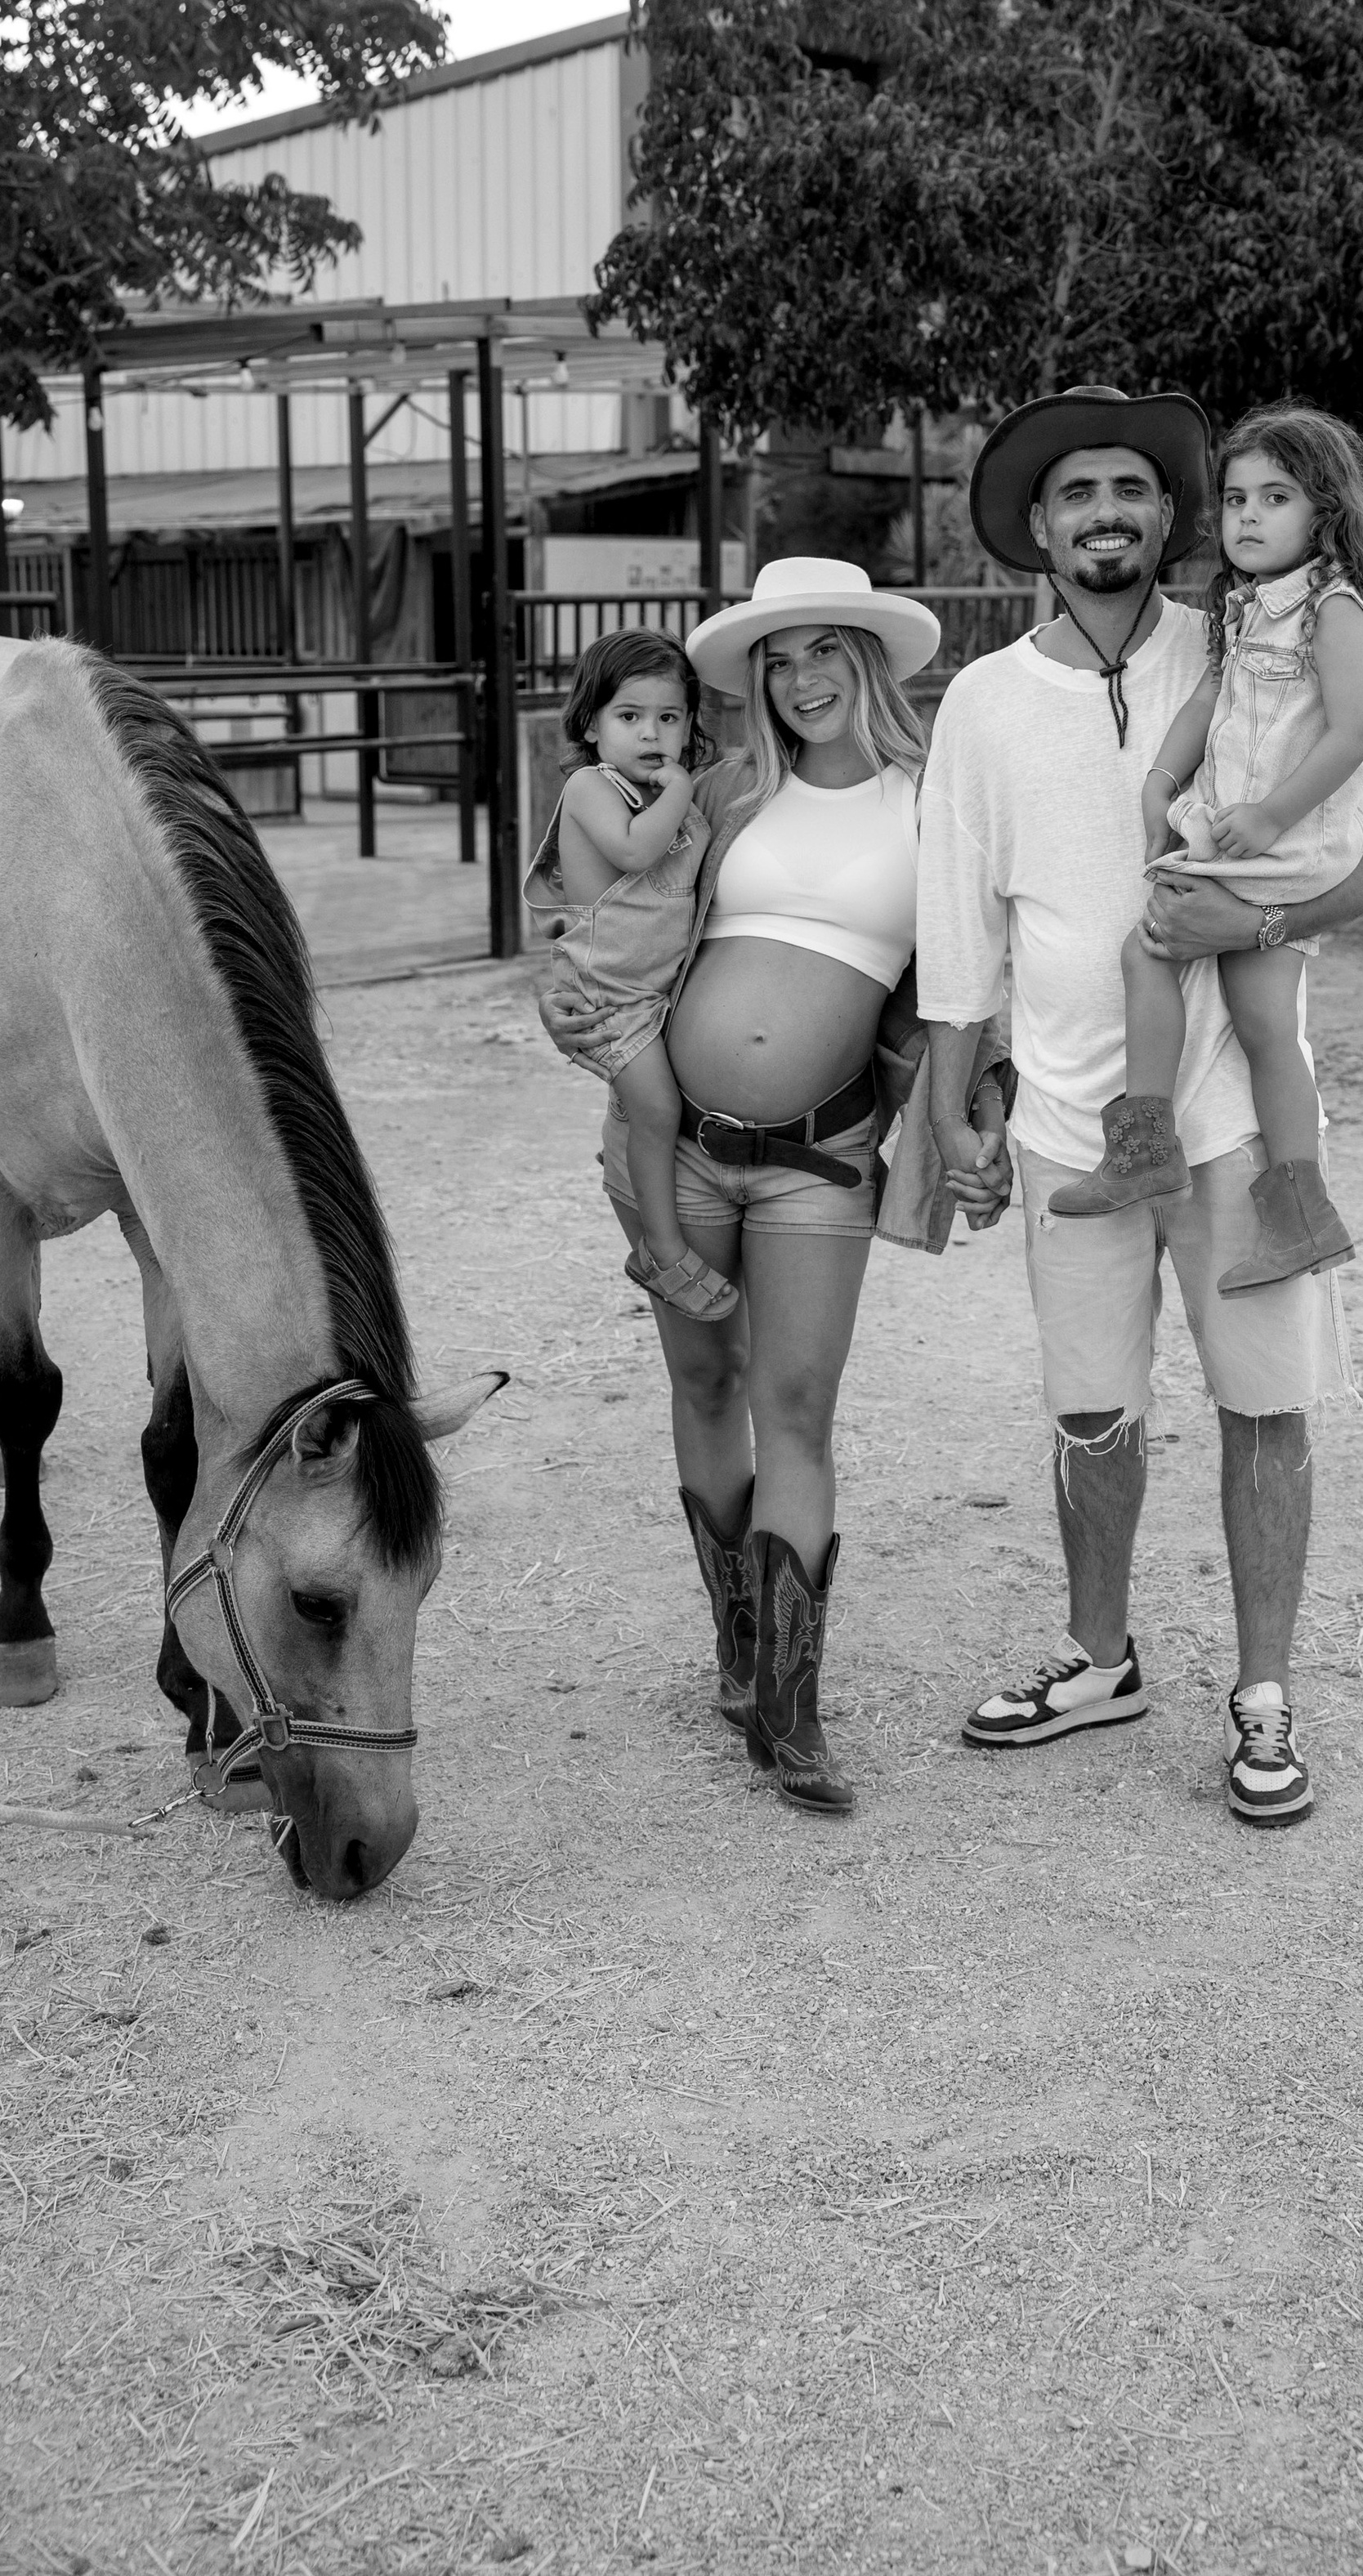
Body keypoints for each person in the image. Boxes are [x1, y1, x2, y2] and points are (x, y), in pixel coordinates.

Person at [914, 386, 1363, 1826]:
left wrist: (1229, 932)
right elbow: (958, 924)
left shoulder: (1256, 638)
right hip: (1072, 1124)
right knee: (1089, 1413)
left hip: (1233, 1124)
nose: (1107, 513)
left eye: (1133, 487)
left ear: (1169, 513)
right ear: (1039, 529)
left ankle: (1262, 1694)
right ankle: (1098, 1653)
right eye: (1078, 495)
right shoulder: (987, 702)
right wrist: (955, 1103)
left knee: (1265, 1407)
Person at [543, 557, 965, 1820]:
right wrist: (570, 993)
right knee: (706, 1381)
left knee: (795, 1406)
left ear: (870, 660)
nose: (803, 677)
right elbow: (594, 893)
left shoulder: (934, 802)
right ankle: (735, 1644)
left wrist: (971, 1107)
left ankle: (792, 1703)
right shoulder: (721, 791)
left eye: (826, 648)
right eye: (779, 659)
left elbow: (967, 974)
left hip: (822, 1157)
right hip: (677, 1144)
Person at [1048, 404, 1363, 1295]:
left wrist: (1270, 815)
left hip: (1285, 844)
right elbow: (1208, 703)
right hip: (1251, 836)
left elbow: (1348, 736)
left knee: (1151, 949)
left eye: (1274, 497)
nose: (1246, 517)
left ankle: (1145, 1144)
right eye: (1237, 498)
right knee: (1261, 1026)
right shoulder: (1246, 608)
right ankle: (1302, 1216)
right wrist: (1160, 780)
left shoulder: (1334, 609)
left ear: (1323, 511)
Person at [525, 630, 738, 1324]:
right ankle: (662, 1250)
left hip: (651, 991)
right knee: (657, 1110)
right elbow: (636, 850)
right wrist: (678, 788)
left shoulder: (671, 793)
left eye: (669, 718)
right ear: (591, 724)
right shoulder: (593, 786)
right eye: (630, 716)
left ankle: (640, 1192)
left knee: (655, 1108)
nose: (652, 733)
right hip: (610, 994)